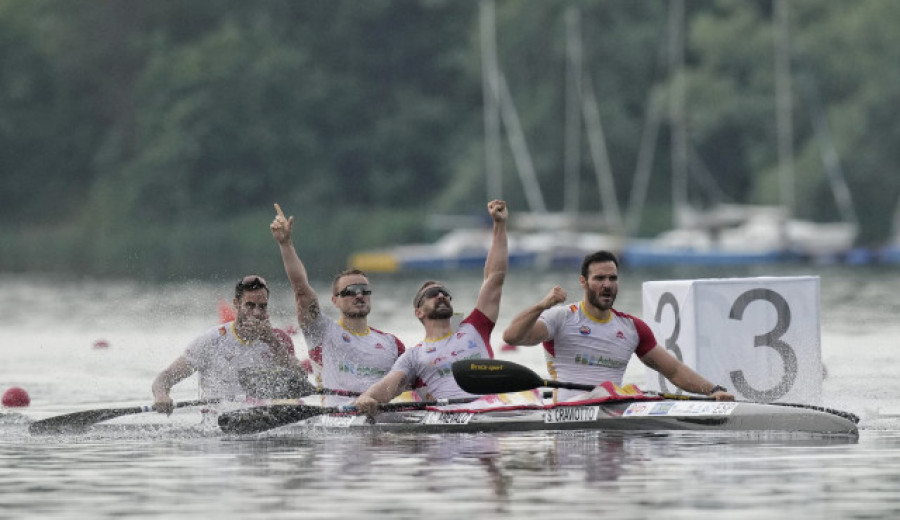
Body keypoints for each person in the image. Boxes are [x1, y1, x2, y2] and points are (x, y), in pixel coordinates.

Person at [502, 250, 735, 402]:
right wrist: (542, 305)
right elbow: (512, 337)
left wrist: (714, 390)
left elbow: (673, 370)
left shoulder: (633, 328)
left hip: (612, 410)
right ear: (583, 282)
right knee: (614, 393)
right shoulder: (560, 318)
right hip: (567, 418)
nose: (607, 285)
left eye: (612, 279)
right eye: (599, 279)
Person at [355, 199, 509, 413]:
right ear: (418, 312)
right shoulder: (413, 356)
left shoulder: (475, 328)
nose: (441, 296)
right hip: (445, 430)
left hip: (492, 415)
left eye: (445, 293)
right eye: (431, 294)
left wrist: (499, 226)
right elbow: (391, 385)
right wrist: (368, 397)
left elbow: (494, 278)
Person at [270, 203, 405, 403]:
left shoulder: (392, 344)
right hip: (340, 426)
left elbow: (416, 379)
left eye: (364, 290)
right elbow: (301, 290)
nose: (359, 295)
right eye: (350, 292)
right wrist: (286, 245)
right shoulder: (321, 331)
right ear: (335, 301)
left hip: (384, 425)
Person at [152, 275, 302, 412]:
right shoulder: (211, 340)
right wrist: (161, 396)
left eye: (262, 306)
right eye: (250, 305)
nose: (257, 313)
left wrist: (273, 342)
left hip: (265, 421)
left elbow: (299, 379)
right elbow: (165, 378)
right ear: (236, 304)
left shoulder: (279, 339)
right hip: (219, 425)